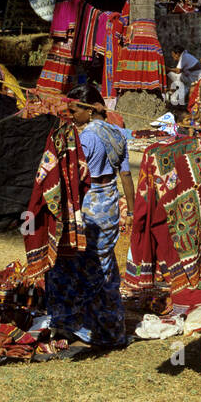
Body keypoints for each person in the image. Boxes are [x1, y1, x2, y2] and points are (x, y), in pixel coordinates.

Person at [46, 84, 130, 348]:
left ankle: (88, 329)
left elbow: (77, 177)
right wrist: (133, 208)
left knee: (84, 266)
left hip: (92, 205)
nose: (72, 115)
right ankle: (112, 328)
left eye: (75, 110)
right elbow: (126, 175)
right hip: (110, 202)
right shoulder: (118, 133)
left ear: (91, 108)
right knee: (104, 263)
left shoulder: (87, 138)